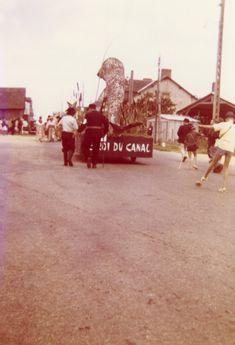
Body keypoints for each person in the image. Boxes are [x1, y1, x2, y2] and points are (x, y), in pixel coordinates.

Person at [196, 111, 235, 192]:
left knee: (213, 163)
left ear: (226, 118)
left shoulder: (223, 124)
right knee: (226, 167)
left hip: (222, 147)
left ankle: (203, 179)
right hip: (230, 149)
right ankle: (223, 187)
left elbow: (210, 127)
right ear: (233, 119)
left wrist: (199, 125)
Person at [79, 103, 109, 168]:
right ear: (95, 108)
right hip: (97, 133)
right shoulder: (101, 115)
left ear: (90, 108)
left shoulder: (87, 115)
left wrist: (79, 130)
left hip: (89, 132)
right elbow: (106, 123)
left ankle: (88, 157)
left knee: (85, 146)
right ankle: (94, 163)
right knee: (96, 148)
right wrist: (105, 132)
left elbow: (83, 123)